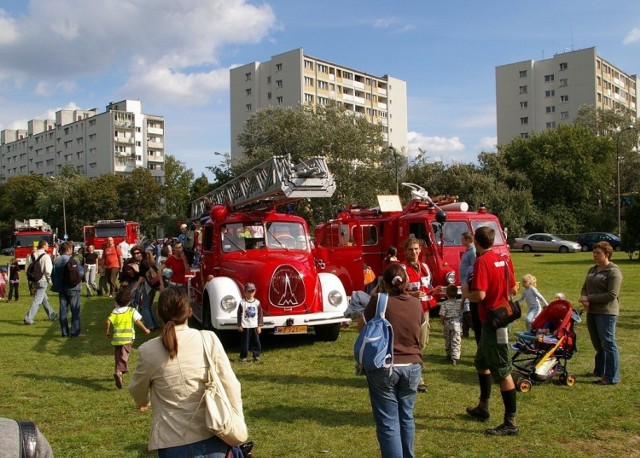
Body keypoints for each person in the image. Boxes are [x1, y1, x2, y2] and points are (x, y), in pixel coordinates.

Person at [129, 286, 245, 457]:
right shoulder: (208, 338)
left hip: (173, 441)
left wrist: (143, 401)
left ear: (158, 314)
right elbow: (231, 385)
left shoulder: (148, 350)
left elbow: (136, 390)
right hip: (214, 432)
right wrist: (236, 421)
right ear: (190, 312)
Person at [362, 263, 424, 458]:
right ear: (405, 282)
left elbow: (362, 328)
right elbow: (421, 333)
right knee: (407, 416)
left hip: (385, 365)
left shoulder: (378, 302)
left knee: (388, 422)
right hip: (412, 365)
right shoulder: (416, 303)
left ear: (383, 283)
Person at [465, 226, 519, 436]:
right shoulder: (503, 258)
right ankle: (483, 407)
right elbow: (514, 288)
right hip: (501, 316)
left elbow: (479, 295)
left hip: (494, 323)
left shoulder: (482, 261)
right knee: (481, 362)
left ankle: (511, 422)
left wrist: (466, 291)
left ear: (476, 243)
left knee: (503, 370)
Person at [578, 241, 622, 385]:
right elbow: (585, 287)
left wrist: (589, 298)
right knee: (598, 344)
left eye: (598, 253)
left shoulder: (613, 271)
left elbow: (611, 294)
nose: (595, 255)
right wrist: (584, 297)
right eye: (594, 253)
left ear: (607, 254)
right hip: (592, 311)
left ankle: (611, 377)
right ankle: (599, 370)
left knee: (608, 344)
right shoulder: (592, 269)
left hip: (606, 312)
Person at [401, 237, 439, 393]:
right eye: (410, 249)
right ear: (405, 251)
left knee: (422, 343)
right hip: (409, 311)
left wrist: (434, 291)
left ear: (420, 249)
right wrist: (411, 294)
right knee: (411, 344)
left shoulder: (425, 267)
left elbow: (427, 287)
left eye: (416, 249)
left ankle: (414, 375)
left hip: (424, 310)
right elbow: (397, 291)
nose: (414, 252)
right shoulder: (402, 269)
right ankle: (416, 378)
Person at [106, 287, 150, 389]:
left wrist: (107, 332)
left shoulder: (115, 311)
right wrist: (145, 329)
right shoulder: (131, 310)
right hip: (127, 338)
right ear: (129, 301)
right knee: (124, 355)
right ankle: (119, 372)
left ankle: (118, 372)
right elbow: (138, 321)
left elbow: (108, 321)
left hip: (116, 338)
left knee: (118, 355)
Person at [51, 241, 84, 338]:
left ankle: (65, 332)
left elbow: (53, 275)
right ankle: (75, 332)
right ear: (69, 249)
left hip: (62, 288)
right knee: (75, 310)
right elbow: (81, 273)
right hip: (74, 288)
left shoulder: (56, 260)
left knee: (63, 311)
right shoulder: (73, 259)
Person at [23, 241, 57, 325]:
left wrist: (30, 279)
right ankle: (28, 318)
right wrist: (50, 280)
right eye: (47, 245)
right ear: (44, 245)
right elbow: (48, 270)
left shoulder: (31, 256)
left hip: (34, 280)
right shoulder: (46, 256)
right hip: (42, 280)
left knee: (43, 298)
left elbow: (26, 269)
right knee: (38, 300)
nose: (48, 247)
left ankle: (52, 314)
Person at [237, 282, 263, 363]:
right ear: (245, 292)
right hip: (245, 326)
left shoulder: (257, 302)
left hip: (254, 325)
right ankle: (243, 357)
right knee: (245, 342)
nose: (251, 293)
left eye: (252, 291)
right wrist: (239, 325)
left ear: (255, 292)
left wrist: (259, 326)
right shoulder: (242, 303)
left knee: (256, 342)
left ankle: (256, 355)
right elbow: (239, 314)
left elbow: (260, 315)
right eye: (249, 291)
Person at [459, 231, 478, 340]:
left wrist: (468, 282)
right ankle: (464, 331)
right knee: (463, 307)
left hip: (467, 283)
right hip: (463, 282)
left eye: (462, 239)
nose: (461, 241)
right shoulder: (467, 251)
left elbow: (473, 268)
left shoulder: (472, 252)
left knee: (466, 307)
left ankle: (474, 327)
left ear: (467, 240)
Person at [440, 284, 463, 365]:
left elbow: (442, 314)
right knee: (456, 340)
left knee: (448, 339)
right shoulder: (459, 303)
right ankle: (455, 357)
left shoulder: (444, 303)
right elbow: (461, 312)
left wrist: (442, 321)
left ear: (446, 294)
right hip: (456, 322)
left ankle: (449, 354)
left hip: (447, 323)